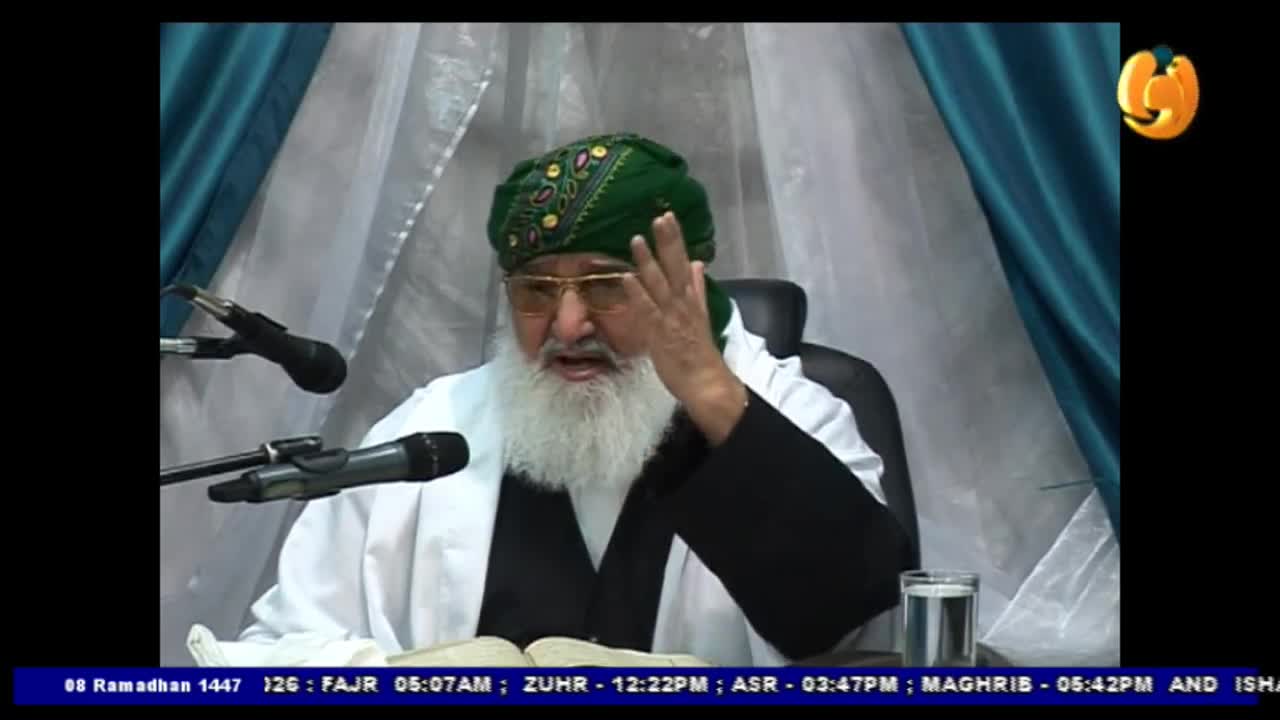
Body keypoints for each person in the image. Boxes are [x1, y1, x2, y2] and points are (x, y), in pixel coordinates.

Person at [223, 132, 913, 667]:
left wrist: (713, 401)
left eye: (607, 286)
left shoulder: (797, 412)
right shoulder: (432, 430)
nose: (568, 327)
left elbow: (860, 625)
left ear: (684, 286)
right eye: (535, 292)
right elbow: (280, 645)